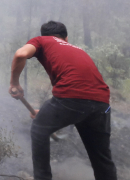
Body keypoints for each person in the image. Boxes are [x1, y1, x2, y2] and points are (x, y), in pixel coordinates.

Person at [9, 21, 116, 180]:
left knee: (39, 129)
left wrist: (14, 83)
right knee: (101, 157)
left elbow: (20, 54)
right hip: (101, 103)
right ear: (66, 38)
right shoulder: (77, 49)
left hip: (71, 98)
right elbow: (82, 95)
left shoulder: (42, 40)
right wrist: (46, 113)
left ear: (44, 35)